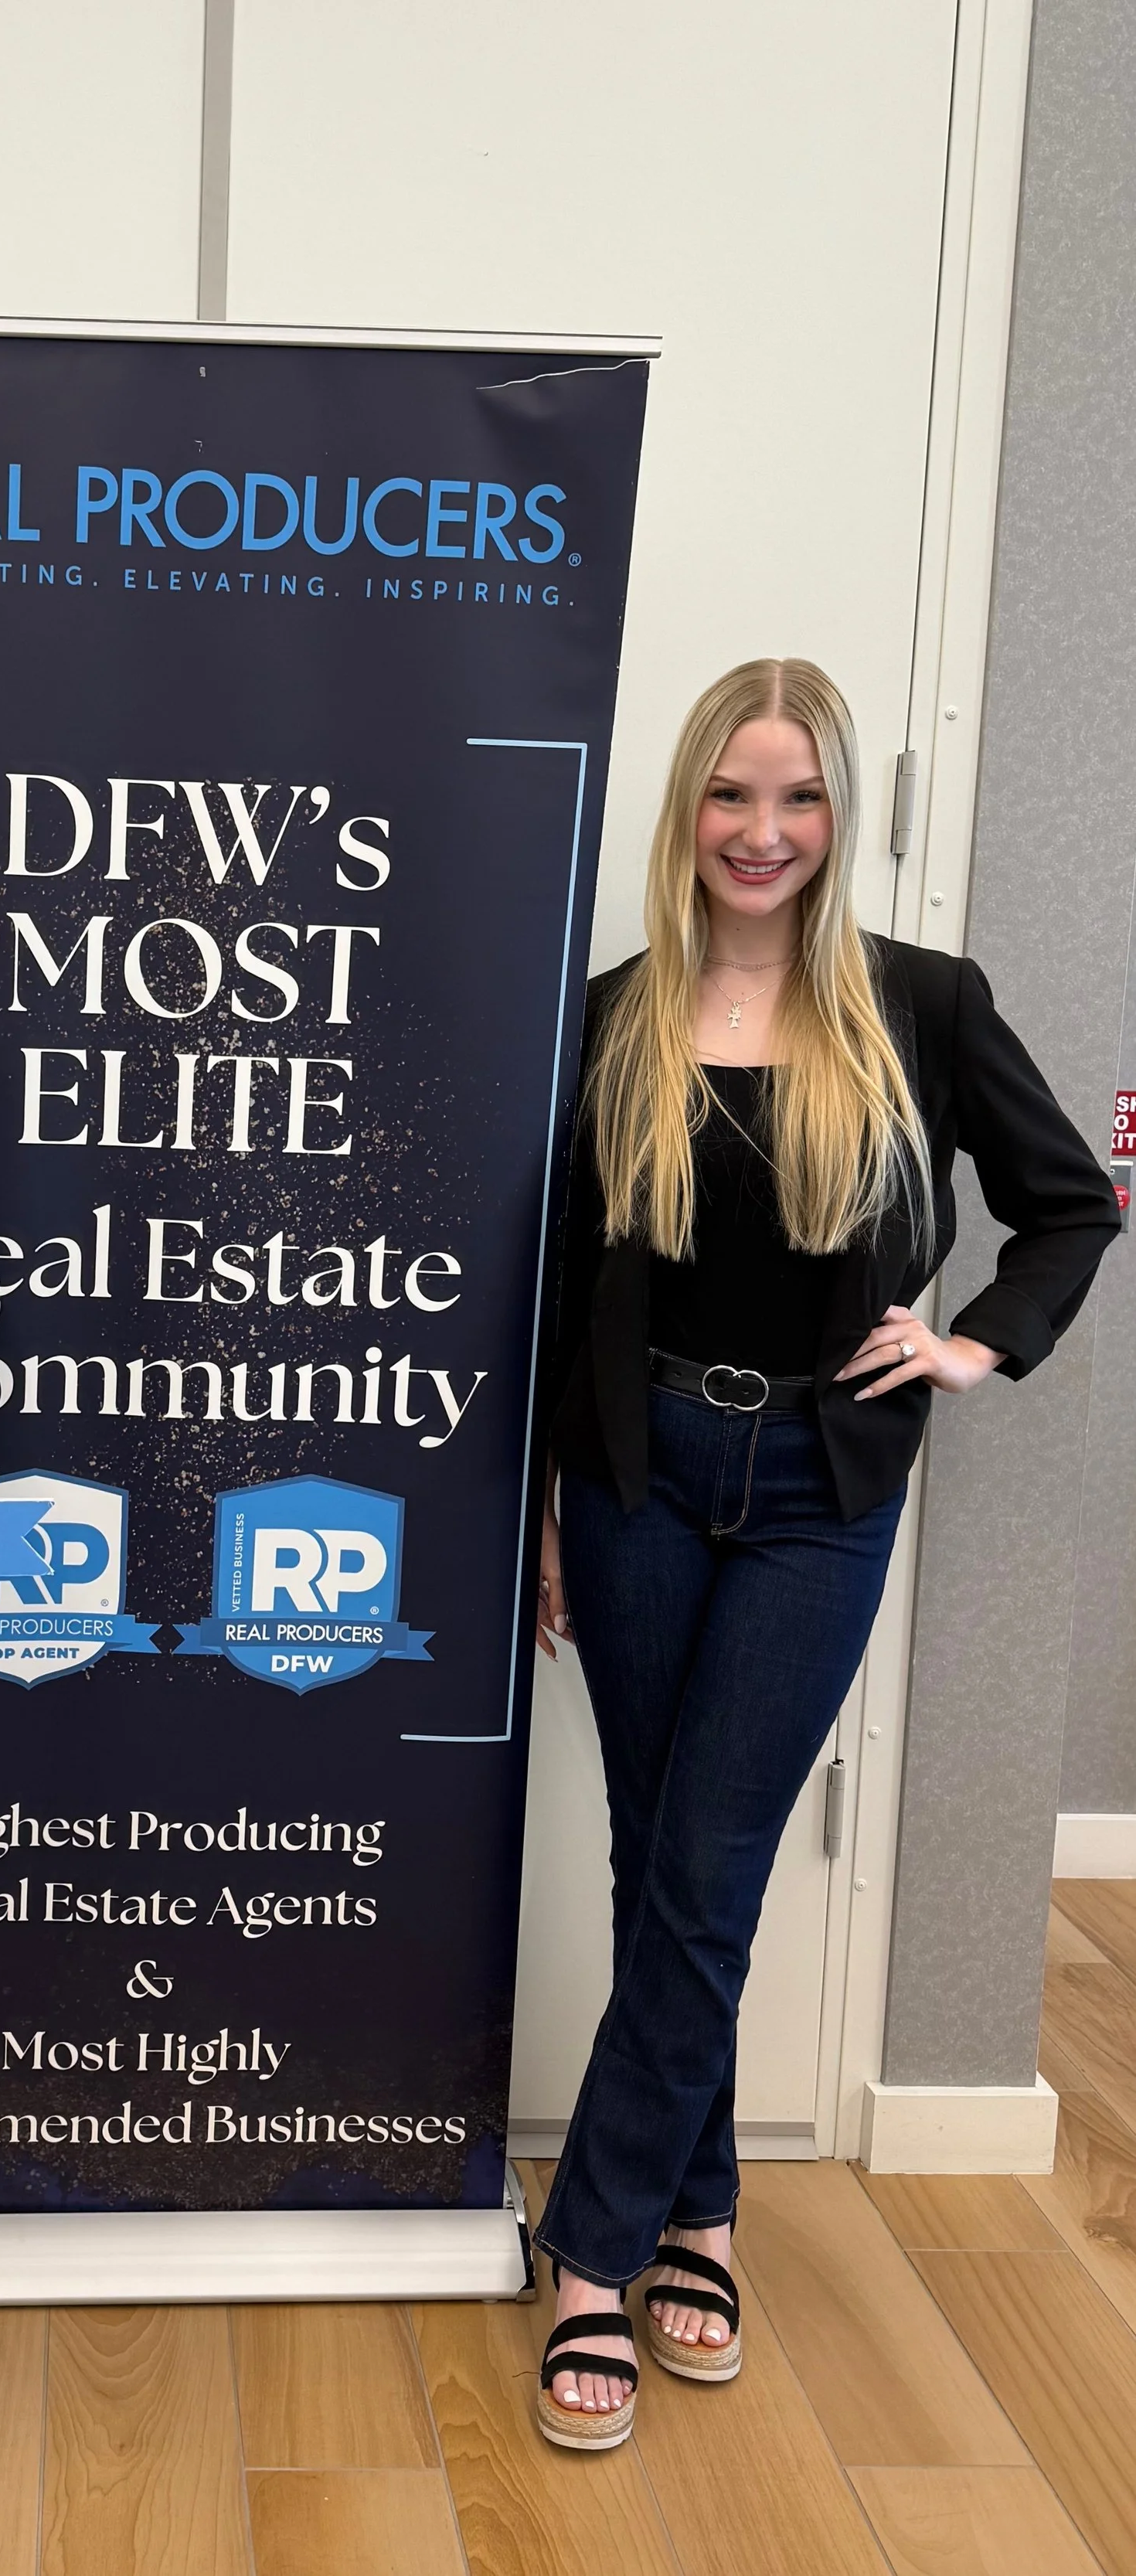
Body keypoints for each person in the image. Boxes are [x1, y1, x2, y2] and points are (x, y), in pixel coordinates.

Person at [529, 658, 1118, 2451]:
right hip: (635, 1475)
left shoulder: (921, 1005)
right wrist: (550, 1499)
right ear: (686, 808)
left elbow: (1069, 1202)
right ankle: (701, 2211)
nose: (760, 831)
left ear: (838, 815)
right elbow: (561, 1287)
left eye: (795, 797)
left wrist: (972, 1342)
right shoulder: (611, 1013)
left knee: (707, 1864)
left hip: (816, 1480)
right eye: (730, 793)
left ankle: (588, 2246)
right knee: (657, 1854)